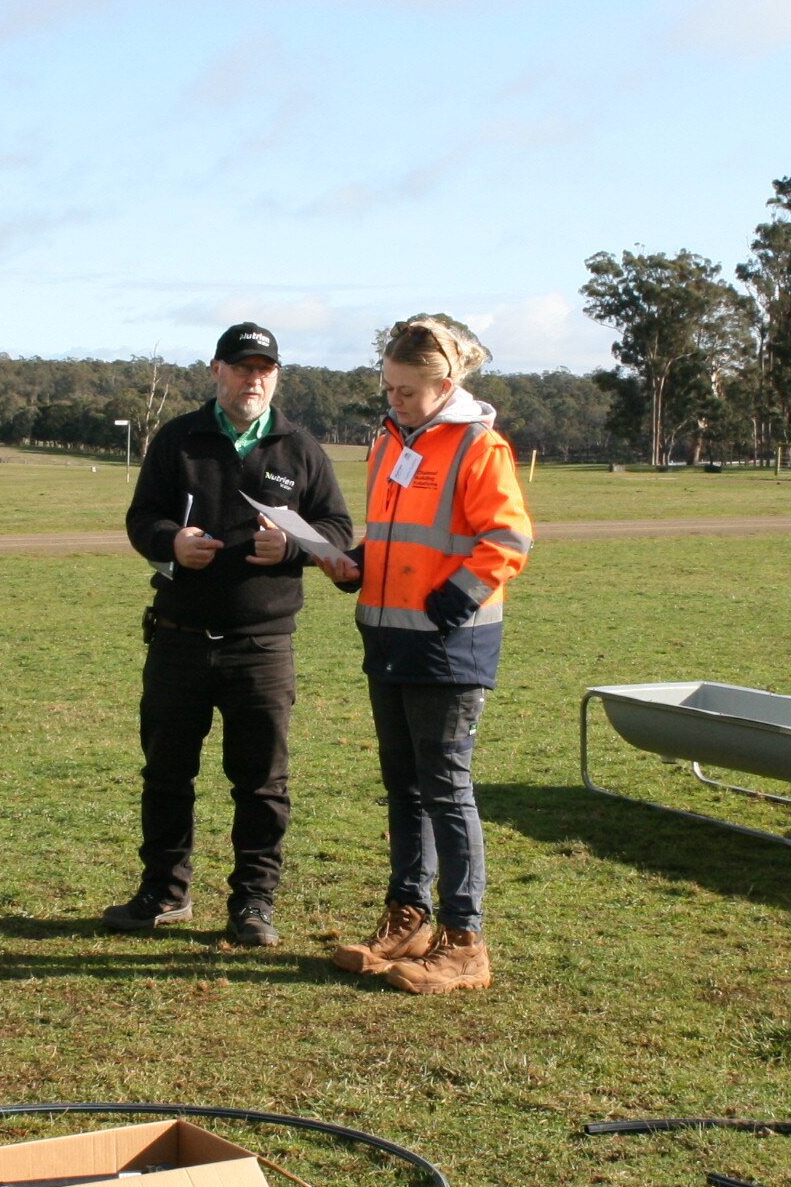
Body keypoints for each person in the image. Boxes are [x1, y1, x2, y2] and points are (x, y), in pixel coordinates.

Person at [105, 322, 353, 945]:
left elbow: (340, 532)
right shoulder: (178, 438)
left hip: (262, 647)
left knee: (262, 784)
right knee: (166, 775)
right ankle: (163, 894)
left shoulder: (301, 448)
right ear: (216, 370)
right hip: (179, 637)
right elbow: (142, 518)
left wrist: (294, 547)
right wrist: (171, 543)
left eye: (264, 368)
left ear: (277, 376)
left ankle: (253, 905)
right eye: (242, 367)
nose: (253, 378)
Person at [325, 316, 531, 993]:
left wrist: (459, 596)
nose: (395, 402)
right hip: (386, 635)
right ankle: (408, 917)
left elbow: (508, 537)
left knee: (446, 788)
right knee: (404, 787)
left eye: (408, 391)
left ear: (444, 385)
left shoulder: (478, 444)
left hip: (448, 644)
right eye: (388, 389)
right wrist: (355, 563)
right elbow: (394, 535)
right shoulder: (387, 441)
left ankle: (464, 940)